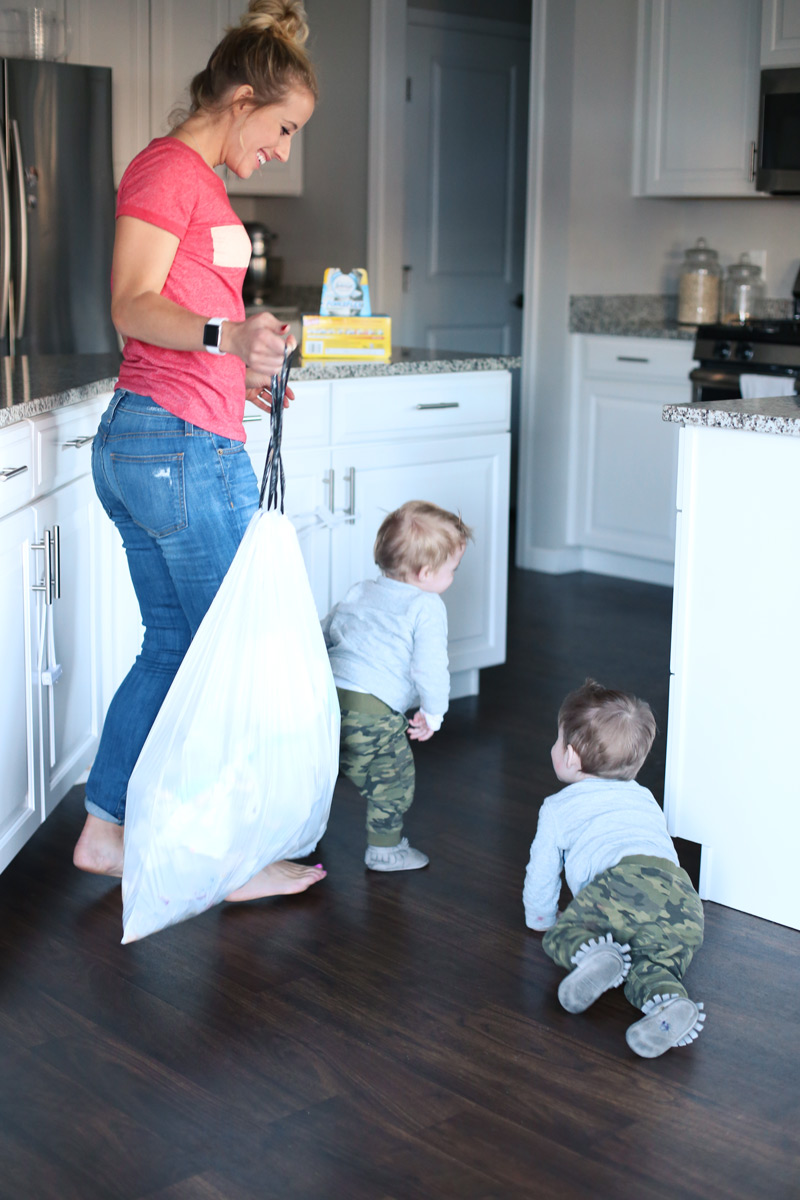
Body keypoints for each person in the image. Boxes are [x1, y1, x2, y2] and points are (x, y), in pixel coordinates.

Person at [72, 0, 326, 901]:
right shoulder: (167, 169)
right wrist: (230, 338)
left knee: (177, 648)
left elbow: (191, 328)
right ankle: (235, 858)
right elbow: (134, 305)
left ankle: (106, 832)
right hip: (173, 445)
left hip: (167, 436)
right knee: (239, 655)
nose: (285, 150)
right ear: (244, 97)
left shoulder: (201, 183)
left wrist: (248, 373)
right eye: (284, 127)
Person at [523, 679, 706, 1058]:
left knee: (563, 933)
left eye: (558, 741)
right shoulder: (645, 797)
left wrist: (541, 918)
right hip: (683, 899)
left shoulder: (558, 808)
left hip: (620, 885)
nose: (553, 748)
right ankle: (669, 1005)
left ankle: (594, 955)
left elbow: (542, 873)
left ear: (571, 757)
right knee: (654, 963)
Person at [322, 501, 472, 871]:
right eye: (452, 569)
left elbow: (324, 630)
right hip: (374, 713)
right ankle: (385, 850)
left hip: (325, 700)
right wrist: (434, 713)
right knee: (392, 779)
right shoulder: (426, 606)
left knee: (321, 772)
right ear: (425, 573)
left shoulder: (362, 590)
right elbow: (431, 667)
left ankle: (294, 841)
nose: (454, 577)